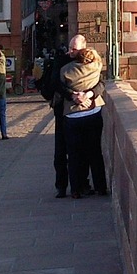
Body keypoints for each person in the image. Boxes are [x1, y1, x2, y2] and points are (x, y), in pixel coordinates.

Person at [60, 34, 108, 198]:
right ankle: (100, 187)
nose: (70, 51)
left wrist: (74, 96)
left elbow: (60, 86)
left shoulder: (65, 69)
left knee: (74, 155)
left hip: (73, 115)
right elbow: (101, 83)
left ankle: (76, 189)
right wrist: (88, 95)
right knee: (95, 152)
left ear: (82, 49)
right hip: (93, 112)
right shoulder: (96, 66)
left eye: (73, 49)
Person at [41, 43, 72, 196]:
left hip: (59, 110)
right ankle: (79, 184)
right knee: (76, 149)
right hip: (72, 110)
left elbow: (52, 85)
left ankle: (61, 186)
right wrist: (72, 95)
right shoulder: (77, 62)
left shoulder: (57, 63)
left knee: (60, 150)